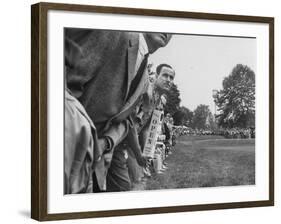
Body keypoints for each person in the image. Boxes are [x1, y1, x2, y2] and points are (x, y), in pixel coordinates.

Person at [64, 29, 172, 192]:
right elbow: (65, 83)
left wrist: (105, 142)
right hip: (68, 141)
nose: (167, 30)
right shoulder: (114, 34)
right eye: (165, 76)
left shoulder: (144, 78)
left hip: (102, 151)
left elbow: (125, 119)